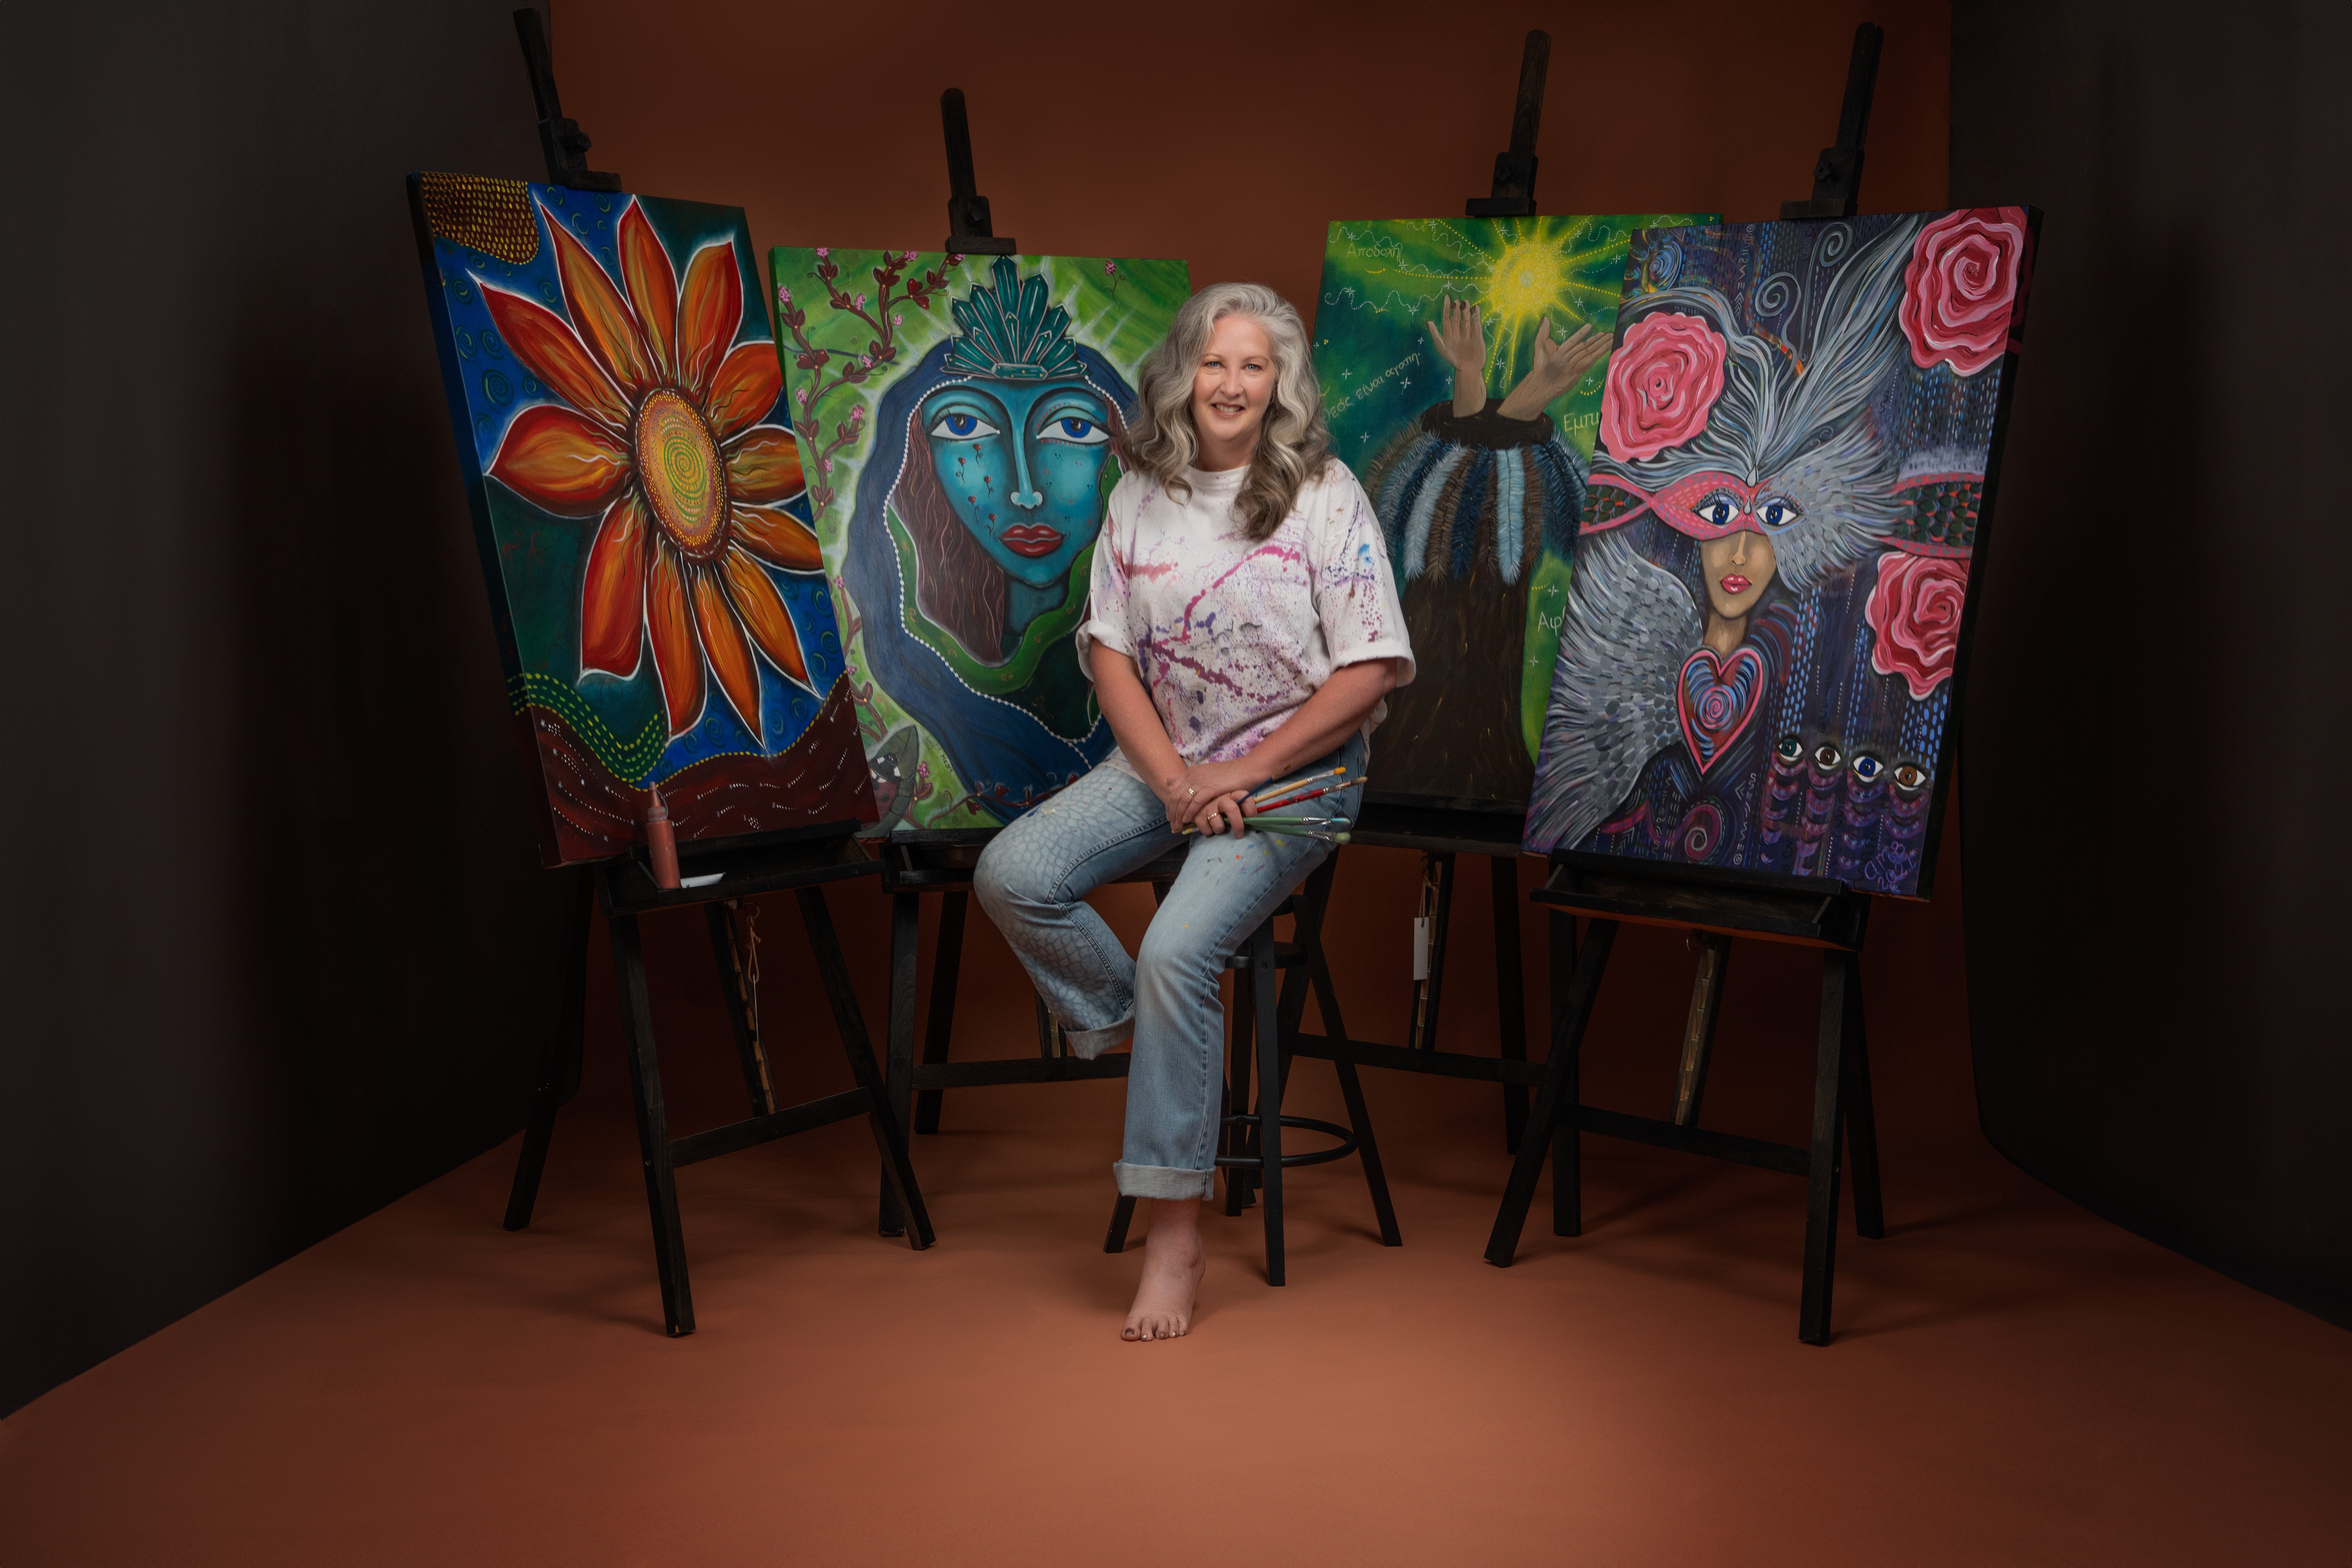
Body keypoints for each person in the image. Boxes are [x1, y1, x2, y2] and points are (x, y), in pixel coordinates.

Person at [972, 282, 1414, 1341]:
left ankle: (1175, 1236)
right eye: (1215, 363)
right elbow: (1110, 653)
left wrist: (1244, 775)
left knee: (1178, 953)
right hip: (1166, 763)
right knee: (1013, 874)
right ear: (1185, 374)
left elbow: (1373, 672)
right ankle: (1146, 1042)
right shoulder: (1142, 493)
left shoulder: (1325, 494)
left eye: (1254, 367)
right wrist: (1176, 779)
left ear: (1281, 387)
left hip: (1298, 780)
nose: (1231, 384)